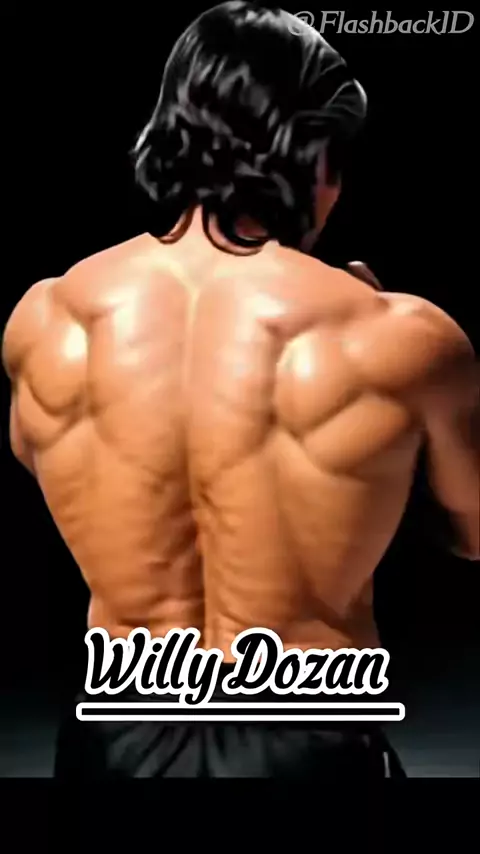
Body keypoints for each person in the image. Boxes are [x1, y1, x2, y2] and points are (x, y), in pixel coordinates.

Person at [2, 2, 478, 778]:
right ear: (314, 157)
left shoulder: (48, 319)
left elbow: (53, 469)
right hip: (309, 735)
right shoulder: (398, 336)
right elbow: (473, 531)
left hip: (116, 738)